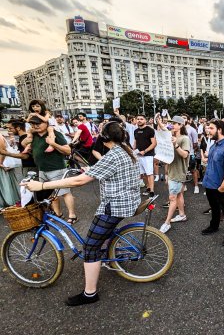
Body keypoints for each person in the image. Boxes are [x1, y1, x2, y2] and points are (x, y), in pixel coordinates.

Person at [23, 122, 140, 306]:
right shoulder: (125, 149)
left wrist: (42, 185)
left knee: (90, 248)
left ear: (104, 137)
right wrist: (90, 170)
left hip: (115, 205)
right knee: (102, 235)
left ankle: (90, 293)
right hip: (128, 201)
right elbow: (107, 170)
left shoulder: (114, 155)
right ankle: (108, 255)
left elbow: (79, 182)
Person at [27, 115, 78, 223]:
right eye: (33, 124)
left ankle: (72, 215)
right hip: (42, 169)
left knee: (64, 192)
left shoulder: (55, 134)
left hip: (56, 168)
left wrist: (53, 144)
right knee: (50, 194)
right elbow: (25, 144)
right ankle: (58, 214)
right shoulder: (34, 136)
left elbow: (68, 151)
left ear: (46, 124)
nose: (35, 126)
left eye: (38, 123)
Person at [201, 119, 224, 246]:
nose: (208, 130)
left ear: (219, 130)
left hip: (221, 187)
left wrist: (223, 186)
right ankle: (214, 226)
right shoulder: (214, 144)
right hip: (209, 184)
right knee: (214, 207)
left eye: (211, 128)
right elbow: (211, 162)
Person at [158, 116, 190, 233]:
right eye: (172, 123)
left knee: (172, 198)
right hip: (172, 171)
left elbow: (185, 155)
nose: (172, 125)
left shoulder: (184, 138)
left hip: (178, 172)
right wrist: (160, 123)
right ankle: (181, 215)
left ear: (181, 125)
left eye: (175, 124)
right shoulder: (173, 135)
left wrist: (176, 145)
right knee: (179, 195)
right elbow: (164, 130)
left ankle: (167, 223)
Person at [134, 114, 157, 198]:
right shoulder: (135, 131)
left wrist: (145, 151)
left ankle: (152, 191)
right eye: (138, 119)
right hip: (138, 155)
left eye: (141, 119)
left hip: (148, 155)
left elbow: (154, 143)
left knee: (149, 173)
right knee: (143, 174)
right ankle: (148, 188)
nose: (139, 120)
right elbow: (135, 142)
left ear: (145, 120)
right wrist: (133, 150)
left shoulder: (150, 130)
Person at [0, 132, 20, 207]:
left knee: (4, 184)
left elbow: (3, 151)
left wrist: (1, 163)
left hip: (2, 164)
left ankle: (8, 204)